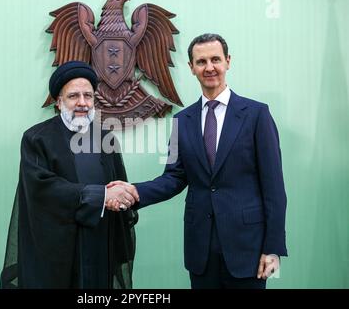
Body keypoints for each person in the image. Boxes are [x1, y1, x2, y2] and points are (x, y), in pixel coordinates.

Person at [108, 34, 287, 289]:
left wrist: (273, 247)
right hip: (201, 250)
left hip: (247, 248)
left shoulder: (257, 115)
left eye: (215, 59)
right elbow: (173, 177)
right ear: (191, 67)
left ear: (228, 61)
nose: (209, 67)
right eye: (201, 61)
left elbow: (274, 189)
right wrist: (134, 191)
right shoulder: (182, 121)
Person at [0, 61, 139, 289]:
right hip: (56, 251)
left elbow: (117, 185)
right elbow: (42, 190)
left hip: (99, 245)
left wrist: (119, 199)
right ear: (59, 101)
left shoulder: (106, 139)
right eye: (74, 96)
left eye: (88, 96)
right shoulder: (37, 138)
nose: (82, 103)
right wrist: (101, 195)